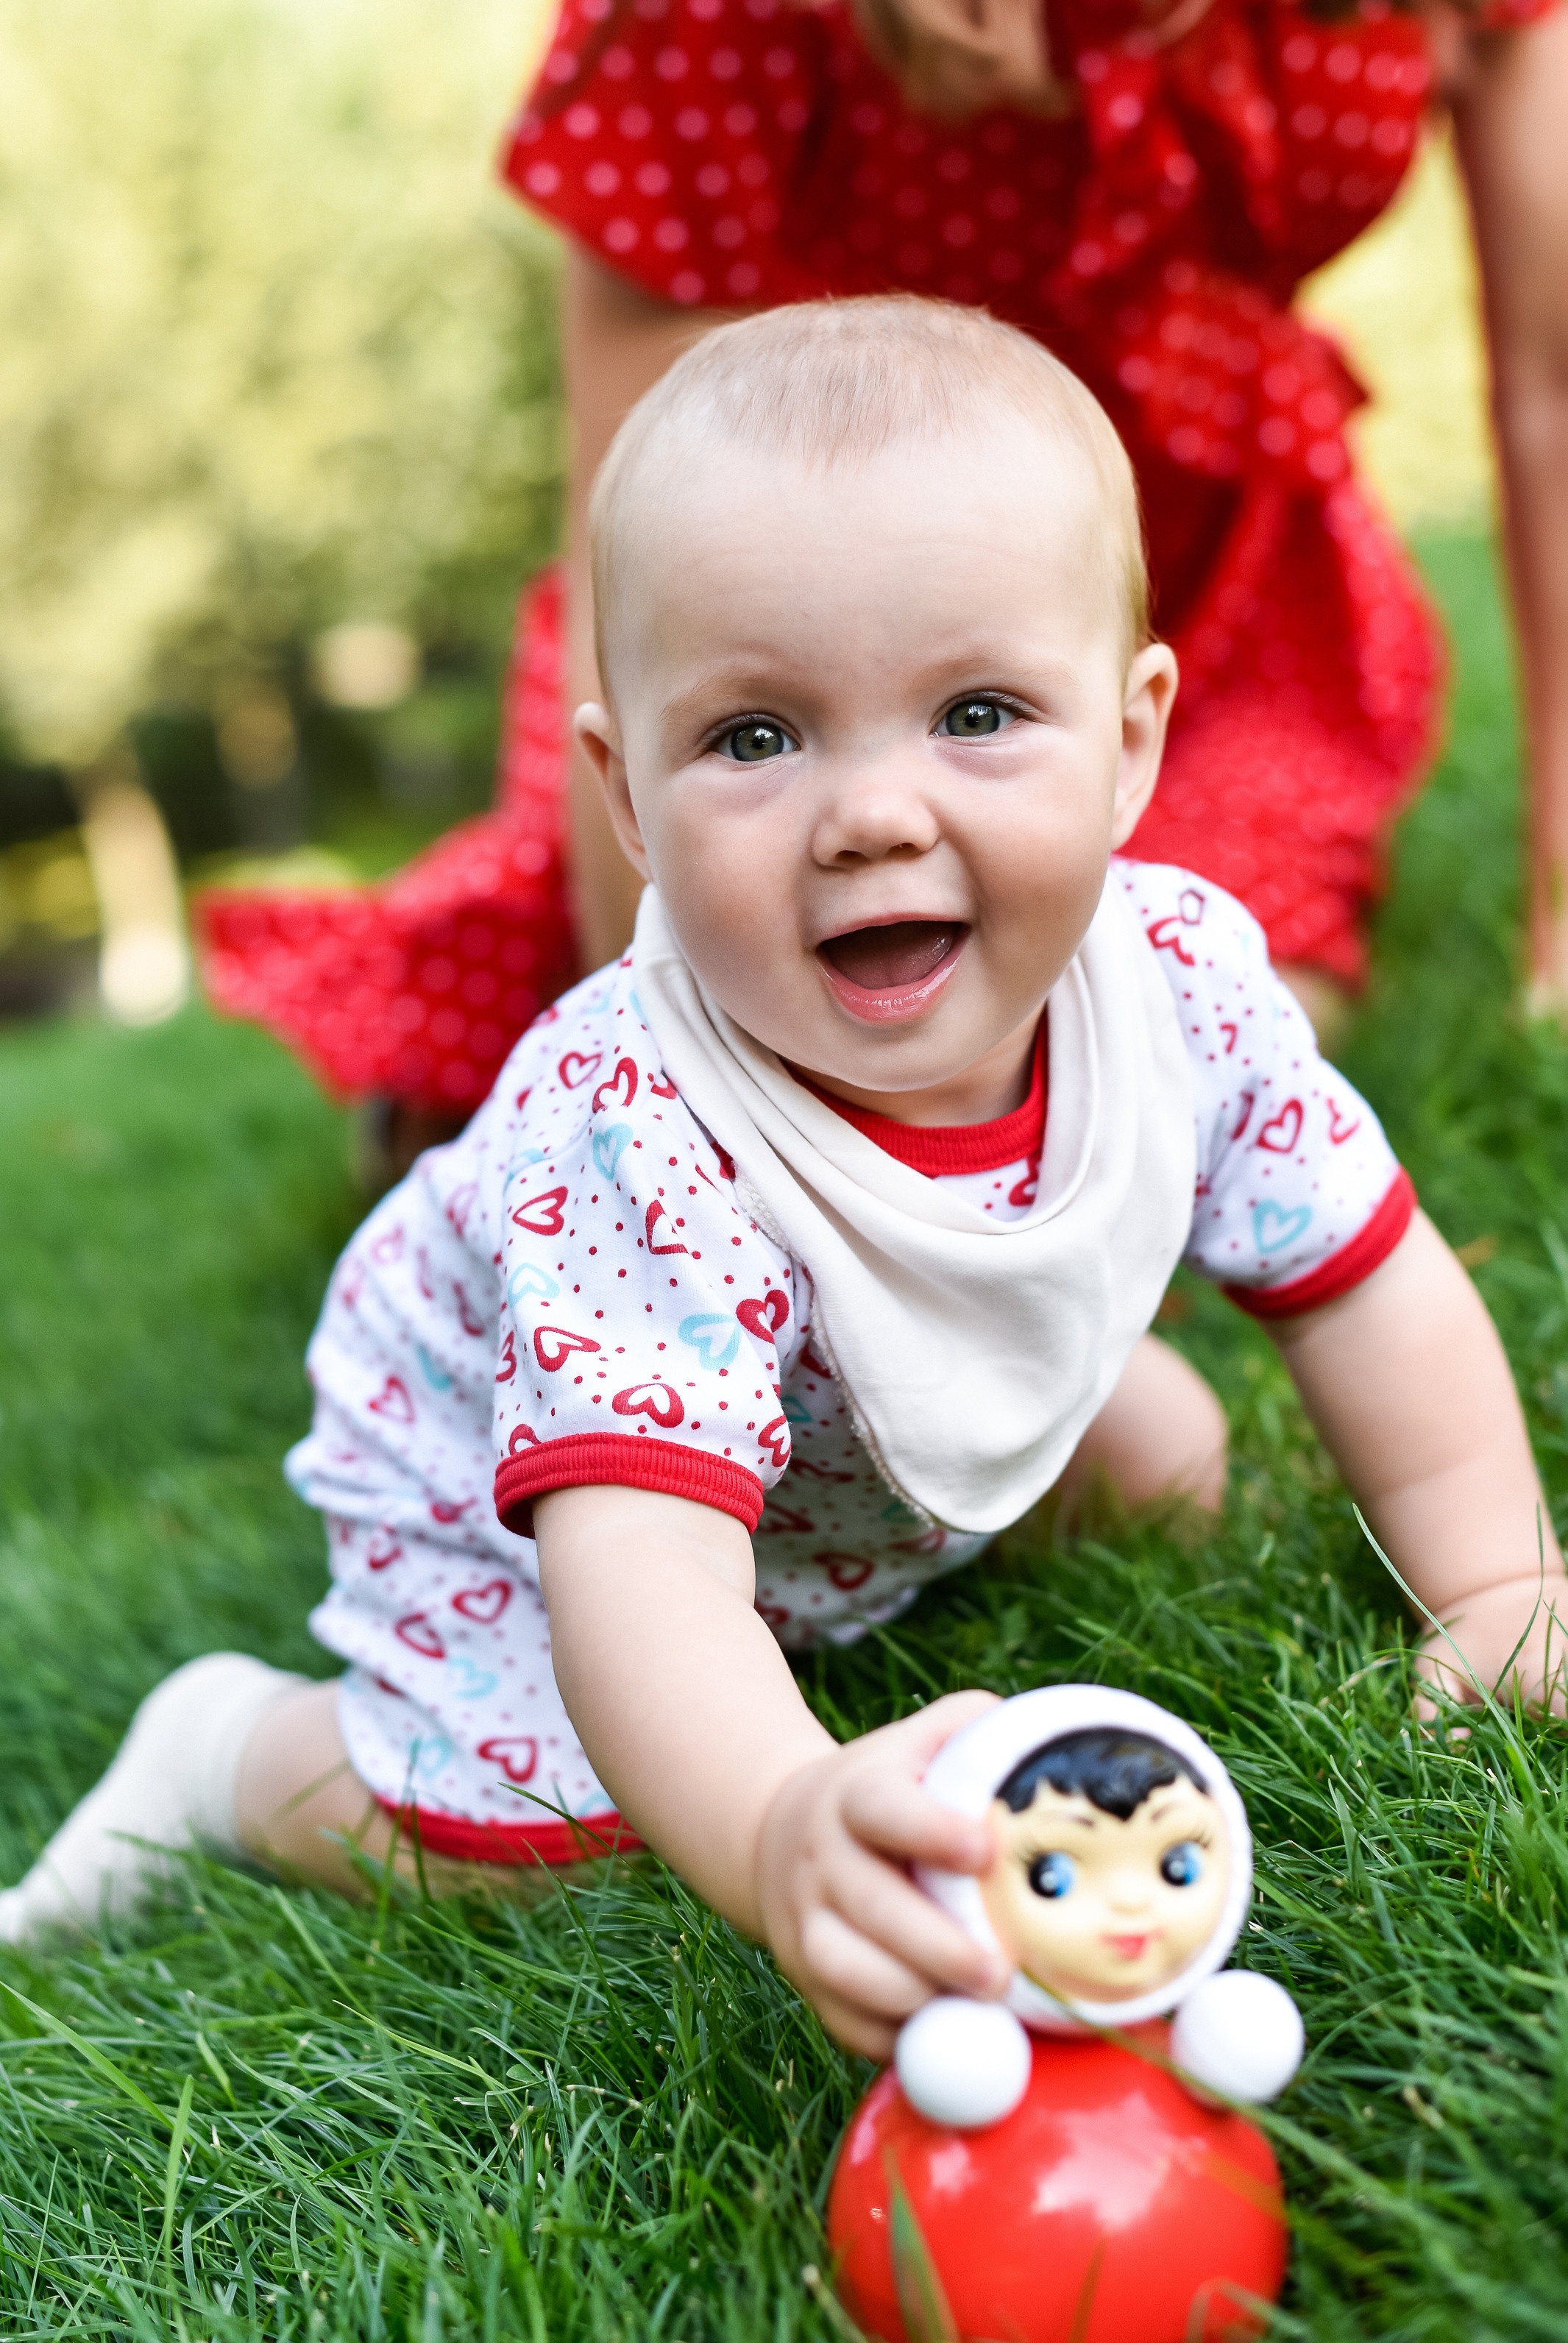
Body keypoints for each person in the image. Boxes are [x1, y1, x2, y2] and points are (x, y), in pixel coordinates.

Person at [10, 305, 1563, 2063]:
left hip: (812, 1429)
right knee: (562, 1833)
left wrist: (1500, 1584)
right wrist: (775, 1828)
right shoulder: (638, 1126)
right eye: (756, 738)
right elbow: (648, 1582)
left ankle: (861, 1543)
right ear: (627, 795)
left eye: (977, 712)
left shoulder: (1185, 981)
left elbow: (1365, 1277)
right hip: (522, 1488)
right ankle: (237, 1754)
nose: (871, 815)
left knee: (1172, 1466)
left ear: (1134, 741)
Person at [199, 0, 1568, 1163]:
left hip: (1224, 603)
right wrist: (699, 1111)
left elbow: (1551, 396)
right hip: (787, 632)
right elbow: (642, 545)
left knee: (1177, 1049)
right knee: (697, 1039)